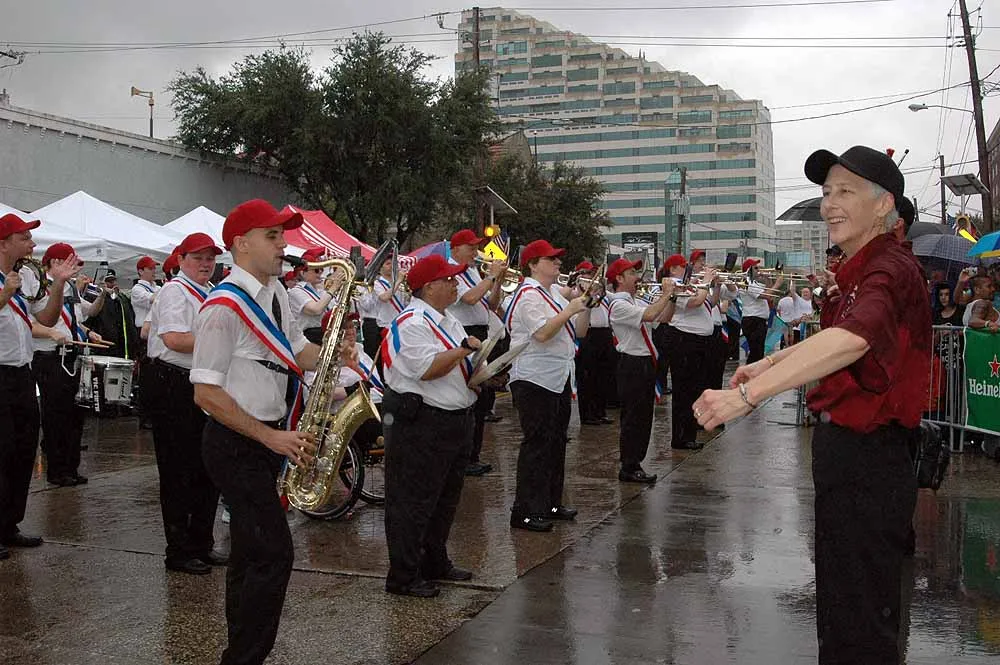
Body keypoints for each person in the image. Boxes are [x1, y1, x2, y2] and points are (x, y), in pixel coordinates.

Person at [694, 145, 928, 664]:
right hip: (848, 452)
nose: (830, 204)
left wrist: (745, 397)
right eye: (826, 192)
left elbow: (854, 339)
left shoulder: (889, 268)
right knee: (842, 604)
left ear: (884, 204)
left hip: (871, 454)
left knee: (859, 620)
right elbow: (837, 334)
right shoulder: (860, 268)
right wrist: (768, 364)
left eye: (846, 191)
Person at [192, 199, 342, 665]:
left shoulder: (275, 292)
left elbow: (296, 350)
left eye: (282, 236)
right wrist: (269, 436)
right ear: (242, 244)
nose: (283, 245)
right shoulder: (222, 308)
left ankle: (238, 654)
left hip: (265, 438)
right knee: (274, 554)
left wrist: (337, 353)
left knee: (249, 555)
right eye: (273, 236)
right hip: (237, 443)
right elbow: (205, 393)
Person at [380, 254, 480, 598]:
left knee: (444, 500)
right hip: (421, 421)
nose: (455, 284)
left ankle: (434, 561)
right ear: (428, 287)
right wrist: (462, 350)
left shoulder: (449, 320)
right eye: (448, 280)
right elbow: (427, 369)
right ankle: (404, 575)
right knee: (412, 502)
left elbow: (459, 368)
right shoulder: (411, 322)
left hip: (453, 418)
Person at [0, 213, 80, 558]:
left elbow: (45, 319)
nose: (32, 244)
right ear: (4, 243)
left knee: (22, 449)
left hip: (22, 372)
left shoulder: (23, 279)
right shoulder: (10, 284)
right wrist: (5, 293)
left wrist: (58, 284)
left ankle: (9, 524)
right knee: (2, 450)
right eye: (24, 238)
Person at [146, 232, 225, 576]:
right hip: (173, 383)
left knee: (207, 467)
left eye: (210, 258)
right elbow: (174, 339)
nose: (206, 264)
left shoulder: (210, 291)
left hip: (200, 379)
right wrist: (223, 340)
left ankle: (201, 543)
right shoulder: (175, 291)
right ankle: (178, 550)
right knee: (178, 470)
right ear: (181, 260)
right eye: (198, 258)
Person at [505, 239, 591, 532]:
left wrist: (585, 306)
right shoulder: (527, 295)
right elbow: (542, 333)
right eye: (550, 259)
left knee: (556, 442)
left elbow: (580, 331)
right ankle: (525, 510)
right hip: (534, 378)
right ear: (532, 265)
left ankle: (551, 502)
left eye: (557, 259)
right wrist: (570, 310)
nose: (557, 263)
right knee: (537, 444)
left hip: (557, 375)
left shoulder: (553, 292)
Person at [30, 243, 103, 486]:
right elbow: (31, 321)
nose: (75, 268)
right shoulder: (40, 286)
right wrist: (51, 333)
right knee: (55, 416)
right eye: (70, 262)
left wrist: (88, 332)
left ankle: (71, 467)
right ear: (54, 262)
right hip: (50, 356)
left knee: (75, 415)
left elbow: (77, 318)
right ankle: (57, 470)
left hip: (72, 355)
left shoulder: (70, 287)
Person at [605, 257, 676, 482]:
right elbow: (651, 315)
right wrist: (666, 293)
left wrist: (673, 297)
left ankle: (636, 463)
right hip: (631, 363)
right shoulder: (618, 304)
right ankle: (629, 466)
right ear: (619, 278)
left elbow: (664, 317)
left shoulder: (635, 301)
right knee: (633, 418)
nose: (637, 278)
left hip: (644, 362)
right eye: (632, 274)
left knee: (644, 417)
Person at [447, 229, 506, 476]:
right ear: (455, 249)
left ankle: (474, 454)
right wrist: (490, 276)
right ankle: (464, 457)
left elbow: (492, 304)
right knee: (469, 393)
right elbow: (470, 298)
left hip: (481, 330)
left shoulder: (472, 271)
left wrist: (498, 281)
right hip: (464, 332)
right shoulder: (452, 271)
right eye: (470, 248)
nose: (475, 252)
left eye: (475, 247)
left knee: (481, 395)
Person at [661, 254, 719, 450]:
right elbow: (696, 302)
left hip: (697, 340)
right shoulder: (673, 286)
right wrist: (706, 281)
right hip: (684, 340)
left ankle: (690, 433)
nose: (687, 268)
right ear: (672, 269)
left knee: (695, 388)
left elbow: (711, 302)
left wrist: (715, 285)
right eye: (682, 266)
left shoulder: (689, 284)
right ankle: (681, 437)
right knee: (684, 391)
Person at [572, 261, 615, 426]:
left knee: (603, 376)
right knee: (588, 376)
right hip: (588, 334)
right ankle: (588, 414)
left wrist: (600, 289)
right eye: (587, 273)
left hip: (604, 334)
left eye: (592, 274)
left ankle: (600, 411)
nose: (591, 277)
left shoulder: (600, 292)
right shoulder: (576, 292)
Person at [287, 247, 340, 344]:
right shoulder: (295, 291)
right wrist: (333, 289)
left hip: (326, 335)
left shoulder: (320, 291)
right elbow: (316, 310)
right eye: (316, 270)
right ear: (302, 272)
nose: (320, 272)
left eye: (321, 269)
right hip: (309, 338)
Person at [85, 269, 139, 362]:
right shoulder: (93, 297)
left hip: (120, 346)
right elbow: (89, 318)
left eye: (113, 281)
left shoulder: (122, 298)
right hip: (101, 346)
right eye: (109, 281)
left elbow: (130, 321)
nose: (112, 284)